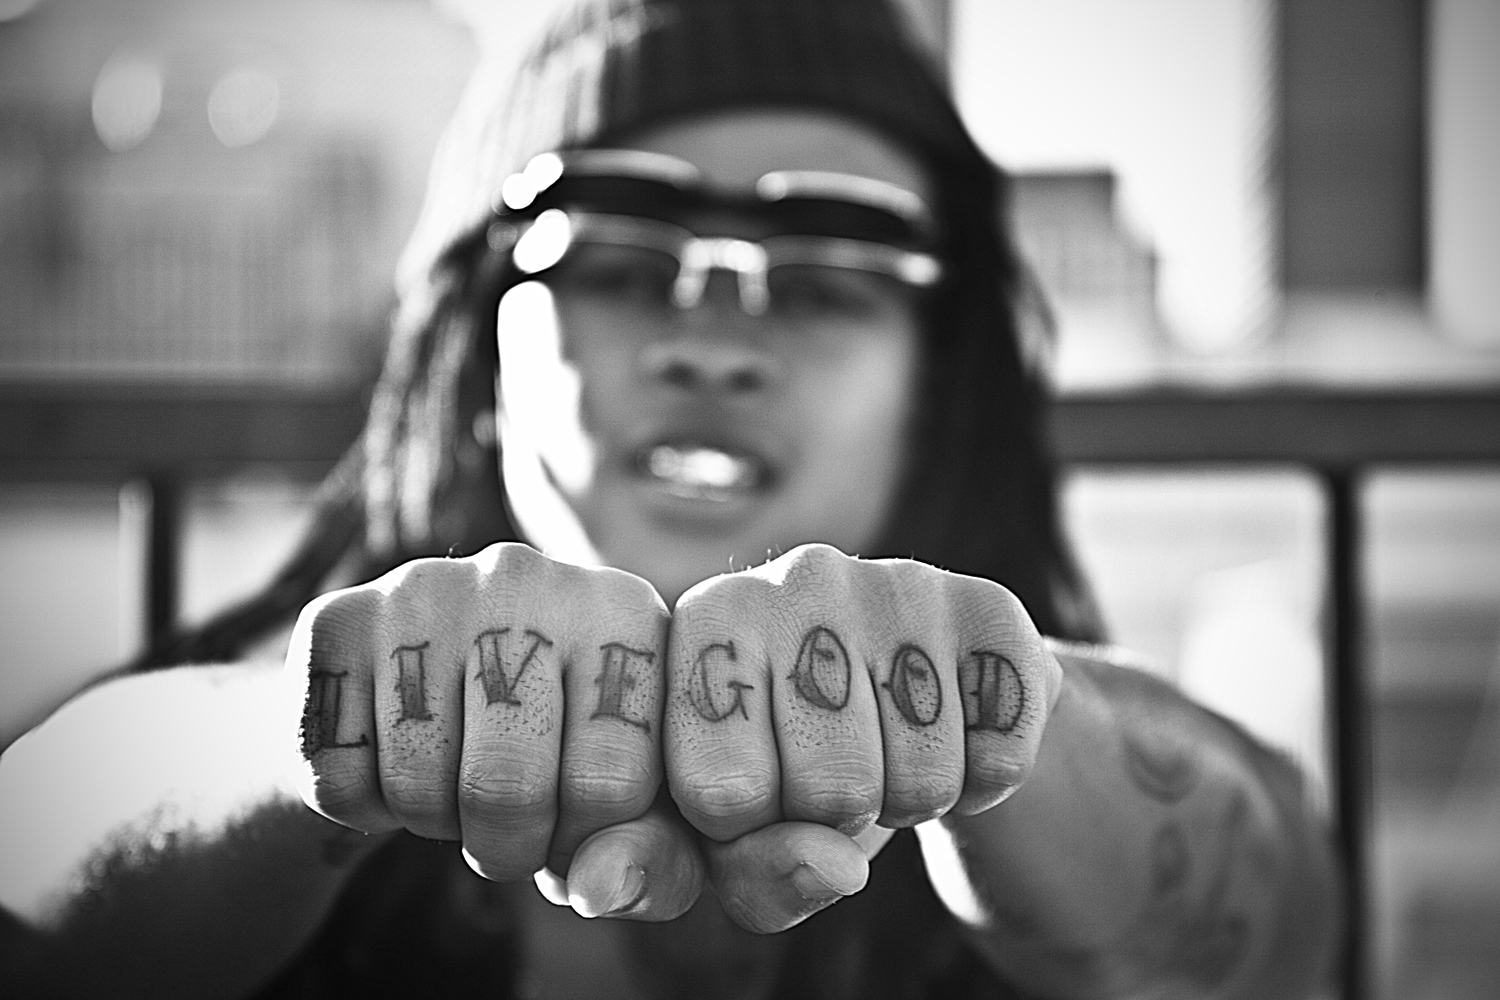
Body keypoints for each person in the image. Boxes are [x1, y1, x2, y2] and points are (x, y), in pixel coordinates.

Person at [0, 0, 1340, 996]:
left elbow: (1278, 933)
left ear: (944, 386)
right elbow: (31, 877)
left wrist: (1000, 718)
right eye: (617, 253)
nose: (713, 337)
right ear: (479, 353)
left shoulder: (1053, 764)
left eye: (828, 275)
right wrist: (320, 741)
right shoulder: (314, 674)